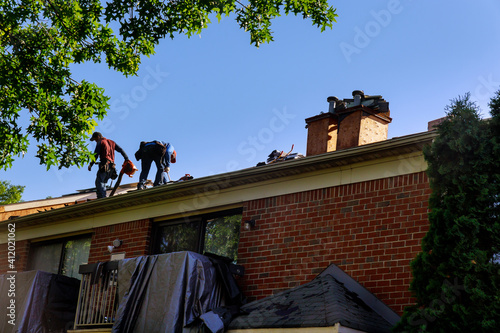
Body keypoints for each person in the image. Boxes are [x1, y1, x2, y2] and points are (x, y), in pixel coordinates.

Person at [88, 132, 129, 198]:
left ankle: (102, 198)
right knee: (103, 183)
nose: (96, 141)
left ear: (98, 136)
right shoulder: (112, 142)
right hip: (112, 167)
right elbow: (121, 150)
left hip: (105, 165)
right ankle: (103, 196)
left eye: (95, 139)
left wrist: (90, 165)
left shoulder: (100, 142)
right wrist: (126, 158)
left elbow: (95, 155)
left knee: (99, 182)